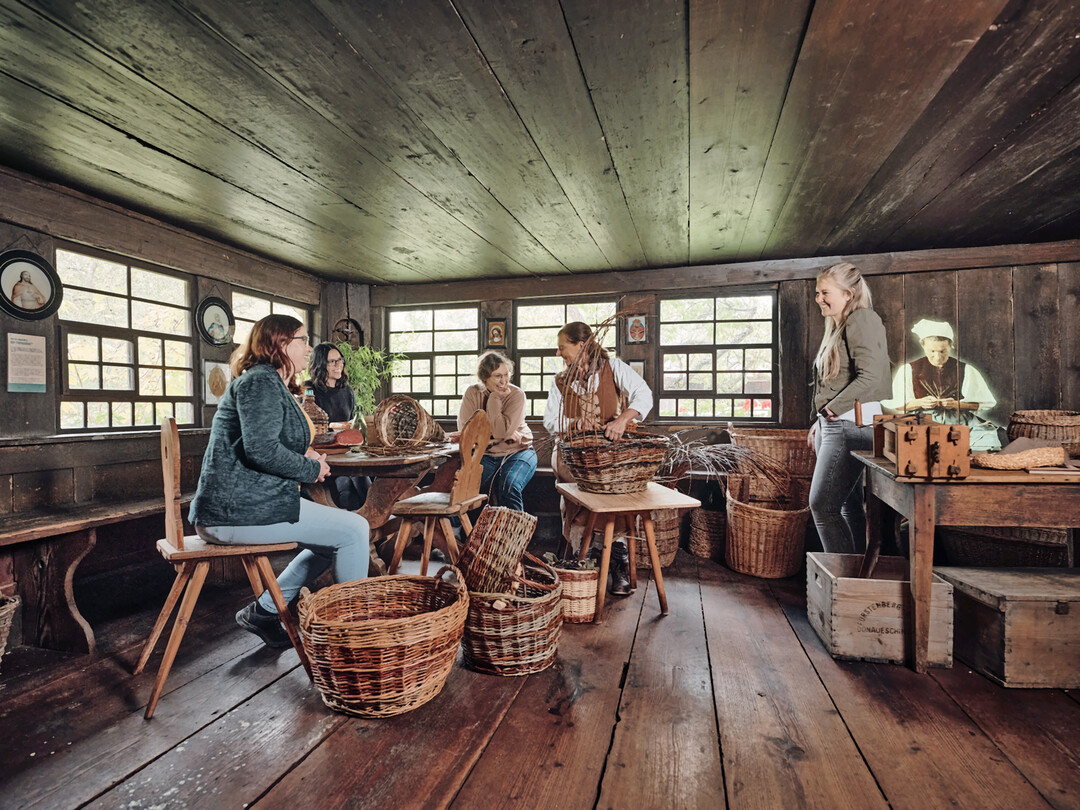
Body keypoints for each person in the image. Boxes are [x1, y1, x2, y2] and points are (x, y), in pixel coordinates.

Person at [190, 315, 370, 648]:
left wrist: (308, 455)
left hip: (250, 505)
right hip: (233, 512)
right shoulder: (259, 382)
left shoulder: (269, 382)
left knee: (335, 538)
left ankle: (264, 611)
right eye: (303, 340)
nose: (309, 347)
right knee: (354, 530)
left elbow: (267, 442)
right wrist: (309, 468)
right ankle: (351, 638)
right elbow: (261, 449)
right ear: (281, 344)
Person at [543, 321, 653, 595]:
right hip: (573, 454)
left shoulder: (613, 368)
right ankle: (584, 558)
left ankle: (616, 560)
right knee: (581, 487)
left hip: (610, 454)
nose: (559, 354)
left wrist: (622, 420)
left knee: (609, 491)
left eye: (562, 348)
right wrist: (573, 423)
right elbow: (549, 420)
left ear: (581, 346)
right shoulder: (559, 380)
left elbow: (645, 395)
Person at [807, 262, 892, 555]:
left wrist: (832, 410)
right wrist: (821, 419)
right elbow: (836, 383)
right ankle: (856, 580)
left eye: (825, 292)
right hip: (835, 425)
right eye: (817, 293)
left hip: (849, 427)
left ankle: (842, 582)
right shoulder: (838, 325)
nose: (819, 298)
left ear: (849, 292)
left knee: (822, 506)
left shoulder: (862, 320)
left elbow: (873, 377)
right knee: (847, 505)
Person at [882, 319, 1000, 450]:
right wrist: (921, 402)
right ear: (923, 346)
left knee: (985, 441)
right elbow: (899, 405)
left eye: (943, 351)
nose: (937, 357)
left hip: (959, 420)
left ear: (951, 346)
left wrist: (955, 404)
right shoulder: (908, 369)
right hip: (923, 420)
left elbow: (980, 404)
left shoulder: (966, 370)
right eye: (932, 351)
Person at [456, 350, 537, 512]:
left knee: (509, 485)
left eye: (506, 375)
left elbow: (500, 432)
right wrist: (501, 435)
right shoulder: (472, 393)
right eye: (498, 376)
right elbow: (466, 432)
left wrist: (494, 398)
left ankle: (515, 535)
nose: (504, 381)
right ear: (485, 377)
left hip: (519, 451)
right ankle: (455, 532)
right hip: (485, 454)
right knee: (464, 488)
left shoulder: (516, 395)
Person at [307, 342, 370, 510]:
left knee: (363, 480)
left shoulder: (347, 390)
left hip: (346, 452)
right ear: (320, 364)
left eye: (340, 360)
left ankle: (372, 527)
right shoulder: (308, 390)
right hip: (322, 455)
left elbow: (351, 423)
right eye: (332, 362)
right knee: (346, 486)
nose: (339, 365)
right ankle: (358, 528)